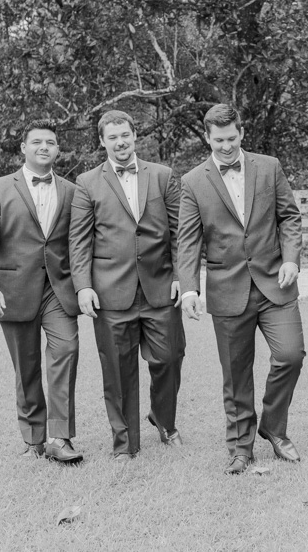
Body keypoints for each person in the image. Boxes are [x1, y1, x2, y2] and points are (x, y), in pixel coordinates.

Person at [177, 104, 305, 475]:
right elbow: (188, 241)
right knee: (235, 375)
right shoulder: (193, 182)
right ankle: (240, 448)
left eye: (232, 138)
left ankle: (274, 427)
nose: (226, 146)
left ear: (242, 133)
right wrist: (189, 289)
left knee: (291, 355)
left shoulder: (269, 166)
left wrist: (292, 259)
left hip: (275, 284)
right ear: (207, 137)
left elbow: (289, 217)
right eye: (219, 140)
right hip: (226, 287)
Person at [69, 110, 185, 460]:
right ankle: (125, 444)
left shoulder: (163, 176)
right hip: (109, 291)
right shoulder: (86, 182)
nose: (121, 142)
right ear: (102, 141)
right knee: (117, 371)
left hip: (160, 286)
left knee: (169, 357)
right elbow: (79, 241)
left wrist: (183, 277)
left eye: (126, 135)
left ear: (136, 136)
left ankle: (164, 420)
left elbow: (181, 233)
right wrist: (83, 286)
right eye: (113, 137)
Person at [0, 118, 83, 463]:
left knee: (67, 349)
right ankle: (34, 439)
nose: (44, 147)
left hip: (58, 290)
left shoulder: (71, 191)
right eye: (37, 142)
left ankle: (59, 437)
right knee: (27, 367)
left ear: (58, 149)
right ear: (23, 148)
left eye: (50, 142)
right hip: (13, 291)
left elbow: (79, 244)